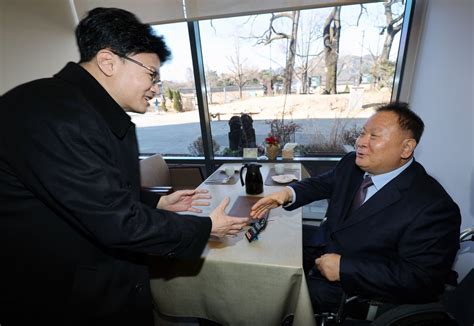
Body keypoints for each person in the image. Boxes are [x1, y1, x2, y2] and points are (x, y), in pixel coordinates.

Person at [0, 7, 249, 326]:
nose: (157, 88)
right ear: (108, 61)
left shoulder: (86, 111)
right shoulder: (53, 115)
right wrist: (206, 228)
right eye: (152, 75)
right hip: (60, 300)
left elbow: (87, 193)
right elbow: (115, 221)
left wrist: (155, 201)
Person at [251, 102, 461, 314]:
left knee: (273, 298)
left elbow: (422, 279)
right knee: (270, 249)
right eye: (362, 133)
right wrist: (288, 193)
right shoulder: (352, 163)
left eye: (374, 136)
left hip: (354, 291)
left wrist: (345, 269)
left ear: (406, 148)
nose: (360, 142)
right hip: (325, 246)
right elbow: (323, 183)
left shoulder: (434, 207)